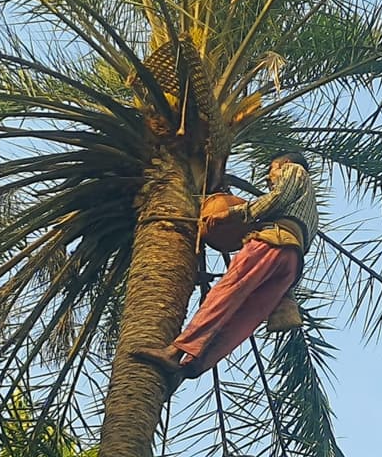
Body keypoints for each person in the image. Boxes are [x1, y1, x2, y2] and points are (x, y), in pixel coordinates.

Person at [133, 152, 319, 378]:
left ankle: (174, 352)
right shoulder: (311, 209)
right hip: (291, 263)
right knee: (245, 318)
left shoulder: (294, 171)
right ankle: (195, 365)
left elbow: (278, 197)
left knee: (224, 295)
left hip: (272, 242)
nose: (269, 178)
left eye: (271, 169)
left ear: (284, 163)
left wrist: (229, 215)